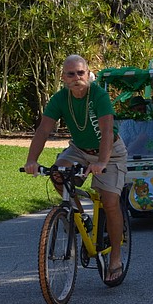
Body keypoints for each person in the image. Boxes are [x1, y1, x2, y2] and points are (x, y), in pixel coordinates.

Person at [24, 54, 128, 286]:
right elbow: (43, 130)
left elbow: (107, 131)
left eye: (80, 73)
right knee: (57, 172)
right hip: (79, 149)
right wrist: (32, 160)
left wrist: (101, 162)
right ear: (63, 77)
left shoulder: (98, 95)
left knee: (110, 200)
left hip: (110, 151)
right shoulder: (60, 99)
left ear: (88, 73)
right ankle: (78, 215)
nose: (76, 78)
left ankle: (116, 257)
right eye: (70, 74)